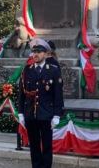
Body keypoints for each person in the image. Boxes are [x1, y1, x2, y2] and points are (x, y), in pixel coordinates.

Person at [18, 38, 64, 168]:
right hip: (30, 114)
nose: (36, 54)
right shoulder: (26, 70)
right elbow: (22, 93)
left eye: (39, 52)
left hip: (46, 114)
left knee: (47, 146)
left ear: (45, 54)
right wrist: (21, 113)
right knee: (34, 146)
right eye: (34, 52)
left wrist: (56, 115)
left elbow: (58, 95)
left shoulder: (53, 70)